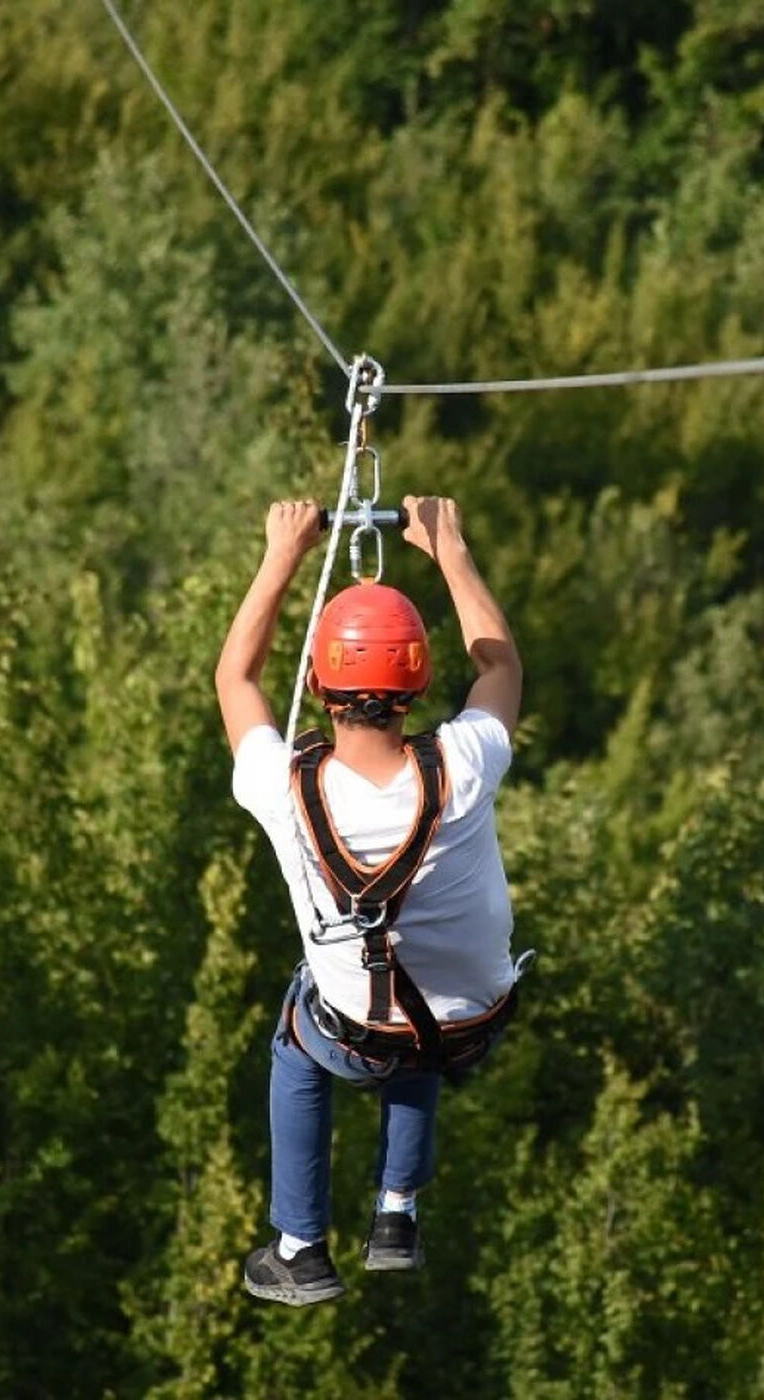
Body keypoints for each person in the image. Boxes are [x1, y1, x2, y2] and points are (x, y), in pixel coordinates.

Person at [214, 494, 525, 1307]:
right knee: (411, 1000)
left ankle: (299, 1245)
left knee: (302, 1028)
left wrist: (283, 553)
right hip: (471, 1024)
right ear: (417, 682)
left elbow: (234, 677)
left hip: (363, 1033)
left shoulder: (282, 788)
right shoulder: (464, 766)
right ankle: (396, 1212)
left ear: (318, 681)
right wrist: (449, 549)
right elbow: (500, 668)